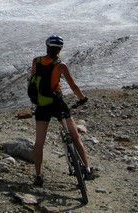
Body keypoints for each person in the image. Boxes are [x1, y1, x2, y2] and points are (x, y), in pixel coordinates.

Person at [31, 35, 96, 186]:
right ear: (59, 49)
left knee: (39, 143)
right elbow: (73, 86)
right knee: (75, 136)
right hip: (57, 103)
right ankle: (87, 169)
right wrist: (82, 98)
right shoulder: (60, 65)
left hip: (42, 104)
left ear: (47, 47)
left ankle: (38, 175)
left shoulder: (36, 61)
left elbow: (33, 81)